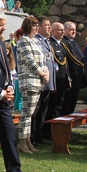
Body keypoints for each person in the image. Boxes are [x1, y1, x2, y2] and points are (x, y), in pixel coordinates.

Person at [0, 9, 36, 172]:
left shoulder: (0, 42)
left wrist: (10, 86)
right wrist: (1, 92)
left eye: (4, 25)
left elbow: (7, 69)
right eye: (0, 26)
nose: (3, 29)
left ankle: (14, 170)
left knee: (9, 135)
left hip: (4, 98)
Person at [16, 16, 49, 153]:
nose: (36, 28)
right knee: (26, 113)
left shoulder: (35, 41)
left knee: (30, 114)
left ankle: (28, 141)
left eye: (37, 25)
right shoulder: (23, 41)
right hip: (29, 81)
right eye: (34, 26)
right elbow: (30, 60)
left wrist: (46, 71)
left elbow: (44, 59)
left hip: (38, 81)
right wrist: (42, 73)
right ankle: (22, 142)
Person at [32, 16, 56, 145]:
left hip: (47, 82)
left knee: (43, 111)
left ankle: (39, 136)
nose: (49, 27)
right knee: (36, 111)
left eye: (49, 25)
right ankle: (34, 137)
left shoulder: (46, 41)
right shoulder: (36, 41)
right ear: (39, 27)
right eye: (46, 25)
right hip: (40, 81)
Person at [61, 21, 87, 115]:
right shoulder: (63, 42)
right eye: (71, 29)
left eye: (75, 30)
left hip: (77, 77)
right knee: (66, 105)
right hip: (71, 77)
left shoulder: (73, 42)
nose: (74, 32)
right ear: (65, 30)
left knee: (72, 104)